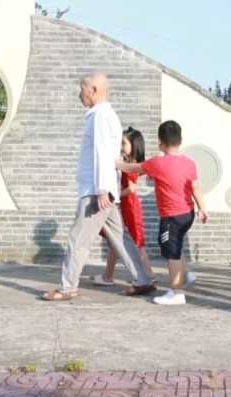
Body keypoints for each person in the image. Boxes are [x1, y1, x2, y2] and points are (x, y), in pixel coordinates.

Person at [44, 73, 155, 302]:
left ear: (93, 90)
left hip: (96, 192)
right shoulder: (105, 115)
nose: (80, 94)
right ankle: (142, 280)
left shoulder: (100, 116)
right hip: (104, 190)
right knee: (120, 238)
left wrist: (103, 189)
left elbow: (102, 153)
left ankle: (67, 288)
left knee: (78, 239)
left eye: (82, 89)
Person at [118, 120, 208, 306]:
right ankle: (185, 275)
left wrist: (116, 163)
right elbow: (196, 188)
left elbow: (133, 168)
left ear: (160, 142)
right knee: (176, 246)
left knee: (171, 253)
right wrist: (202, 209)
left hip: (172, 217)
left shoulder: (157, 163)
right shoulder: (189, 163)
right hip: (188, 214)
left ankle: (177, 292)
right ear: (180, 140)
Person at [93, 127, 152, 287]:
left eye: (124, 143)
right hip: (126, 206)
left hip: (129, 207)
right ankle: (108, 276)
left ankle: (148, 276)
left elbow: (131, 188)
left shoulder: (130, 164)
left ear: (134, 145)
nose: (120, 146)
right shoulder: (129, 162)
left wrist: (113, 194)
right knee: (117, 242)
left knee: (135, 243)